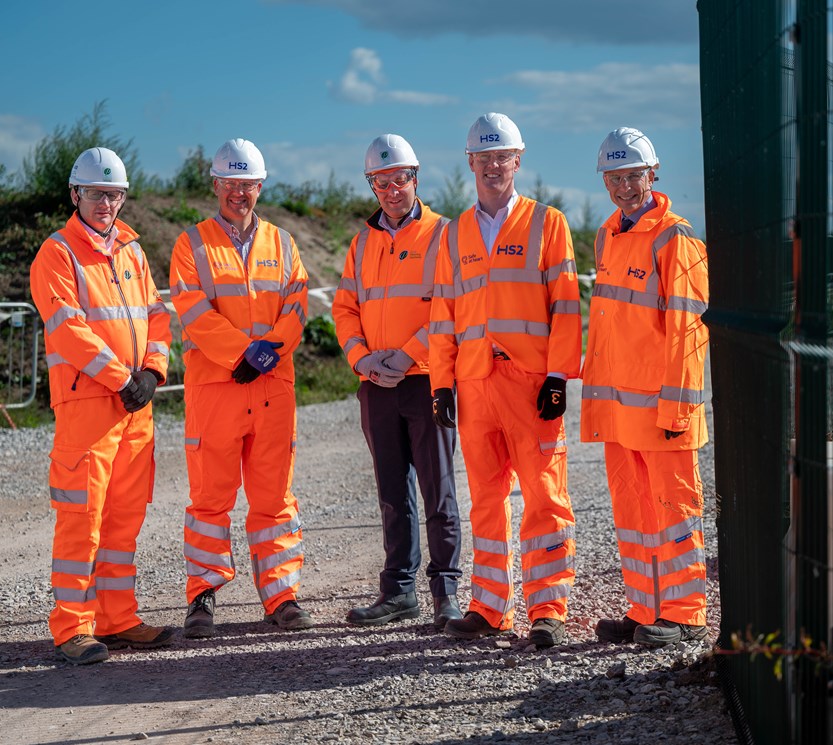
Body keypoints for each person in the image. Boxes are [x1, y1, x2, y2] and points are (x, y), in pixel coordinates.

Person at [429, 113, 581, 648]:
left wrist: (559, 374)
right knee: (486, 500)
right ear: (470, 162)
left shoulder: (548, 223)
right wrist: (441, 384)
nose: (494, 166)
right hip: (474, 386)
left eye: (502, 156)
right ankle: (490, 607)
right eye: (484, 157)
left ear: (518, 160)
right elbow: (444, 314)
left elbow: (565, 305)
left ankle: (547, 607)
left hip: (530, 384)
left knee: (544, 494)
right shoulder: (454, 234)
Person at [30, 147, 175, 664]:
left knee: (123, 519)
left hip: (136, 405)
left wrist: (154, 372)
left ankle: (118, 619)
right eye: (96, 194)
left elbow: (157, 316)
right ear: (76, 195)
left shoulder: (132, 251)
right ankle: (72, 627)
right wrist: (122, 378)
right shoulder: (58, 252)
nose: (106, 204)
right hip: (90, 406)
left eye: (114, 195)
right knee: (81, 517)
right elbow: (69, 329)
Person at [169, 138, 312, 638]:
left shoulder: (283, 244)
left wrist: (268, 350)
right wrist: (242, 353)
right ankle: (202, 596)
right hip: (218, 389)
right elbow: (191, 309)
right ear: (216, 186)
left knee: (274, 495)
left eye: (248, 184)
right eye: (231, 184)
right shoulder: (192, 244)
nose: (239, 193)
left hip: (272, 388)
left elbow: (297, 305)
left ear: (260, 186)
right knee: (211, 497)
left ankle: (281, 594)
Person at [581, 128, 711, 648]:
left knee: (674, 508)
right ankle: (645, 609)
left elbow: (688, 331)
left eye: (633, 175)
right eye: (614, 177)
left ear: (652, 175)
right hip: (621, 412)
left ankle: (685, 614)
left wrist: (677, 406)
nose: (624, 186)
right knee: (634, 513)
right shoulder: (607, 235)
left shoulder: (675, 239)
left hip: (663, 408)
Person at [332, 134, 463, 630]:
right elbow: (345, 307)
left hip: (428, 379)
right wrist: (362, 360)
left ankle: (446, 592)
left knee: (438, 488)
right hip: (377, 385)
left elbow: (454, 308)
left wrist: (408, 356)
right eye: (380, 181)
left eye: (399, 179)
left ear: (416, 178)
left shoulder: (446, 235)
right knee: (392, 491)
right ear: (372, 185)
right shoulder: (362, 242)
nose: (391, 189)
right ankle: (398, 592)